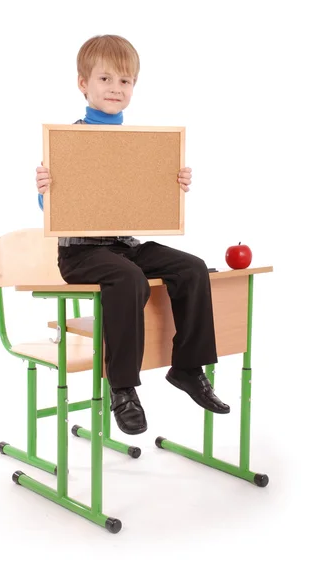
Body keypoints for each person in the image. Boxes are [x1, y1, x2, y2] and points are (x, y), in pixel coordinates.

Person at [36, 34, 230, 436]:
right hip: (81, 254)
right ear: (83, 84)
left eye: (125, 81)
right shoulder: (67, 140)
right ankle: (122, 387)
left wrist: (170, 182)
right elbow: (51, 212)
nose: (115, 88)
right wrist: (46, 189)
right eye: (105, 79)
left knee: (191, 268)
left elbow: (139, 202)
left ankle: (188, 369)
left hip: (123, 247)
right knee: (128, 278)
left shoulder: (139, 146)